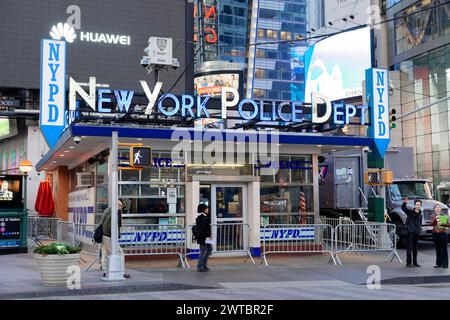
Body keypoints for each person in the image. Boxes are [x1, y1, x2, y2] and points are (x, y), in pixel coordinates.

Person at [99, 200, 130, 278]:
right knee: (119, 252)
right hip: (109, 236)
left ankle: (105, 271)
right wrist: (114, 235)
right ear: (117, 205)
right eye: (121, 206)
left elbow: (103, 222)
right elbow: (114, 225)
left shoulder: (107, 210)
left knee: (105, 253)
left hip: (103, 234)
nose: (121, 207)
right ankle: (121, 271)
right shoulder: (116, 212)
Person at [402, 197, 423, 267]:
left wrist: (419, 230)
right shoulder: (410, 212)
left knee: (415, 248)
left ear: (421, 206)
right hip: (410, 232)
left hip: (416, 233)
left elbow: (420, 223)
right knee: (409, 248)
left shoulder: (420, 214)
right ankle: (408, 263)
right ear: (415, 205)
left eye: (419, 205)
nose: (418, 206)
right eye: (417, 204)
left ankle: (415, 262)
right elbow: (404, 208)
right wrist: (405, 203)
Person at [431, 204, 450, 268]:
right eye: (436, 207)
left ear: (440, 209)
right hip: (435, 234)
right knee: (437, 249)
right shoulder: (433, 216)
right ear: (434, 209)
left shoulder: (444, 216)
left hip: (443, 233)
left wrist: (442, 223)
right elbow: (432, 224)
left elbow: (448, 225)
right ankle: (439, 263)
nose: (438, 208)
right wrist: (435, 219)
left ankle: (445, 264)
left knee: (444, 249)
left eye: (439, 207)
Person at [195, 203, 212, 272]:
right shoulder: (202, 218)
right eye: (207, 208)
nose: (208, 210)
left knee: (209, 249)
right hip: (203, 237)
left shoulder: (205, 217)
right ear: (203, 210)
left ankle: (204, 265)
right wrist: (209, 235)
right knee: (203, 251)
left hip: (206, 237)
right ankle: (200, 266)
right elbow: (204, 228)